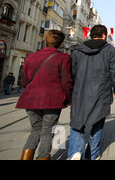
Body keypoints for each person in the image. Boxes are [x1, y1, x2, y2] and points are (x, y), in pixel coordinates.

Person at [68, 24, 115, 160]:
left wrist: (73, 90)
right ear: (104, 35)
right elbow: (114, 72)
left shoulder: (77, 50)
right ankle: (92, 155)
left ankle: (75, 151)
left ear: (90, 35)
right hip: (101, 91)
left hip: (80, 91)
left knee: (77, 122)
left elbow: (72, 73)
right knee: (97, 122)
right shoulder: (109, 49)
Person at [16, 30, 72, 160]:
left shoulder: (31, 57)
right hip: (52, 100)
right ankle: (43, 157)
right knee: (47, 132)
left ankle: (25, 157)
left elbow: (24, 81)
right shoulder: (64, 57)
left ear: (45, 41)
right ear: (61, 43)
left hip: (31, 99)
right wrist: (69, 98)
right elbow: (66, 82)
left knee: (35, 130)